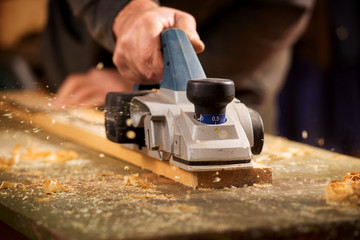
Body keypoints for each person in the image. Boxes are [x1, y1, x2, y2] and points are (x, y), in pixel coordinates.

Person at [42, 0, 314, 133]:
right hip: (84, 82)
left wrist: (156, 73)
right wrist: (120, 10)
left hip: (237, 70)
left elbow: (287, 3)